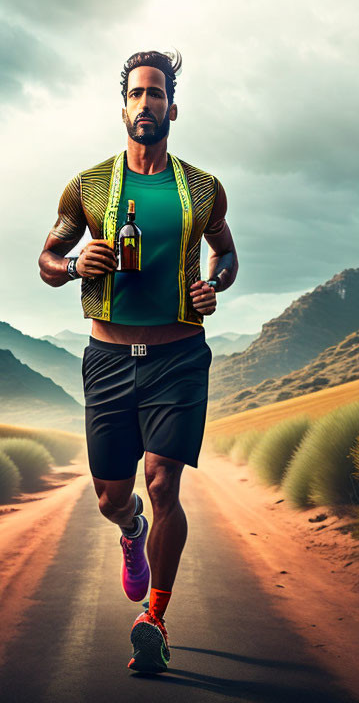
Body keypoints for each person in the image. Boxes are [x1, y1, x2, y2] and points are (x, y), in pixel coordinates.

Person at [37, 49, 238, 673]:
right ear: (122, 105)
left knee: (164, 481)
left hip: (178, 357)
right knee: (111, 495)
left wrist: (215, 284)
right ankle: (131, 531)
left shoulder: (201, 188)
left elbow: (226, 255)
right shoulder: (90, 186)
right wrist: (75, 264)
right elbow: (46, 259)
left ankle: (154, 617)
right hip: (108, 357)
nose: (147, 103)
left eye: (157, 94)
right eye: (137, 93)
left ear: (171, 108)